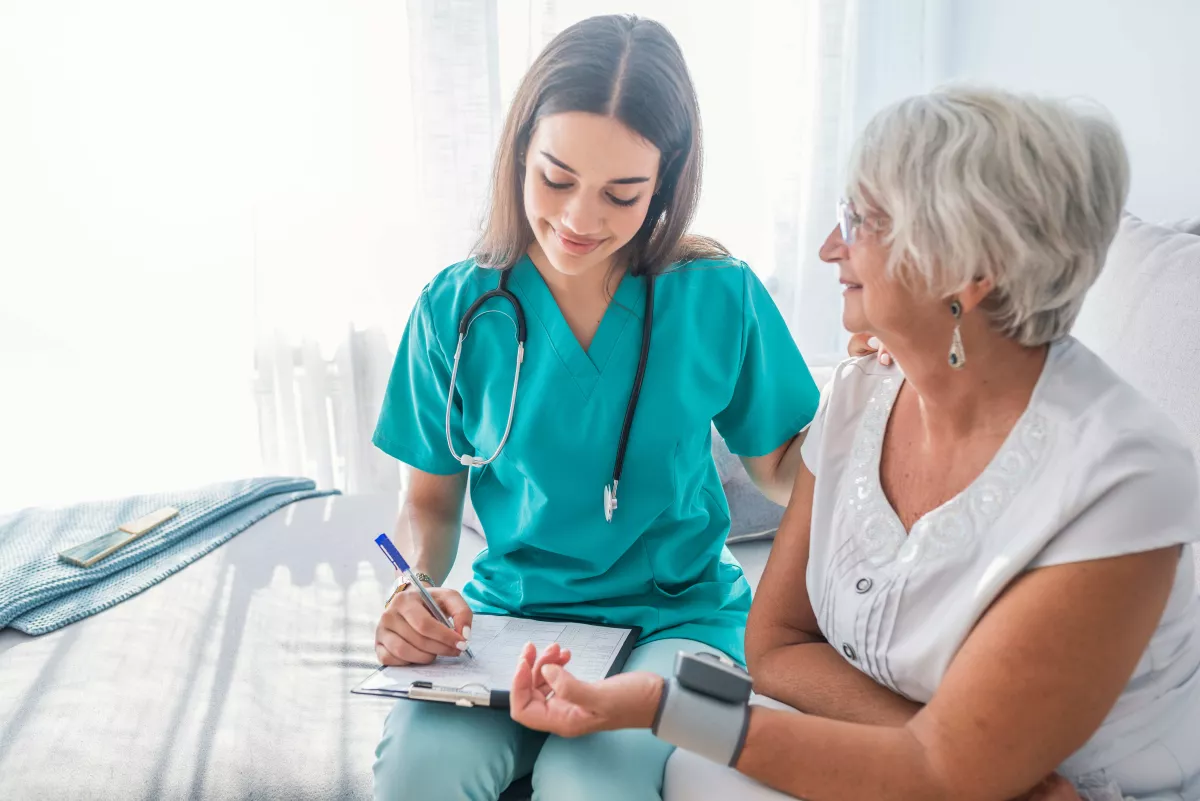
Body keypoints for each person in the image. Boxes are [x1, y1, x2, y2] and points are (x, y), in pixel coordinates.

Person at [508, 87, 1200, 801]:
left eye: (861, 221)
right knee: (695, 772)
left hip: (1083, 790)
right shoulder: (862, 392)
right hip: (962, 771)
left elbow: (937, 774)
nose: (830, 247)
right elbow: (776, 645)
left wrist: (664, 705)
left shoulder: (1123, 481)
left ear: (972, 266)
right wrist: (970, 756)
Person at [370, 14, 821, 801]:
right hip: (509, 617)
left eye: (622, 194)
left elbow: (788, 467)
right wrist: (413, 588)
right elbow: (429, 503)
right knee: (419, 772)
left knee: (591, 782)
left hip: (686, 626)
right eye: (555, 178)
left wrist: (893, 405)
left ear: (668, 184)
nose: (580, 220)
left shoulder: (719, 295)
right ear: (517, 155)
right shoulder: (455, 308)